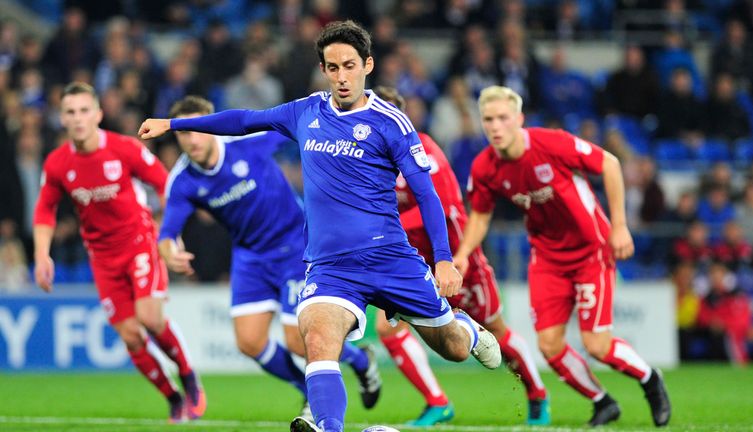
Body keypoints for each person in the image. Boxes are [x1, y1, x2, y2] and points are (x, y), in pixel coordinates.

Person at [138, 20, 502, 432]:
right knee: (316, 339)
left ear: (367, 64)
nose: (342, 76)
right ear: (324, 70)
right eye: (332, 67)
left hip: (389, 258)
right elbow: (243, 120)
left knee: (452, 348)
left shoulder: (391, 123)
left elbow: (427, 194)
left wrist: (443, 260)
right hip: (330, 267)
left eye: (349, 65)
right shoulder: (306, 111)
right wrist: (174, 126)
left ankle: (467, 331)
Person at [453, 85, 671, 427]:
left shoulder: (551, 143)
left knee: (597, 344)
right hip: (548, 258)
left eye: (503, 118)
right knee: (550, 345)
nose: (495, 127)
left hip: (591, 250)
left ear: (519, 119)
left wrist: (620, 226)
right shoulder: (484, 167)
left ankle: (650, 379)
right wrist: (463, 253)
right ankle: (602, 402)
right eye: (488, 120)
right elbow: (480, 215)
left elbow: (610, 164)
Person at [159, 95, 382, 417]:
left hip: (295, 245)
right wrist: (169, 253)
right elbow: (167, 233)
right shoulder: (182, 181)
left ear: (211, 126)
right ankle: (308, 387)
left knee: (296, 340)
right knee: (249, 342)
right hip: (250, 256)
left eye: (197, 129)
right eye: (183, 133)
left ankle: (359, 362)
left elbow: (297, 123)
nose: (192, 139)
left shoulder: (247, 142)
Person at [374, 86, 549, 426]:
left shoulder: (422, 149)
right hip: (417, 266)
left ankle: (537, 394)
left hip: (457, 259)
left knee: (496, 330)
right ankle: (437, 402)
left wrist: (387, 225)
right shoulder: (375, 160)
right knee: (387, 328)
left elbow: (440, 206)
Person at [33, 82, 205, 423]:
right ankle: (172, 397)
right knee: (130, 336)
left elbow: (164, 183)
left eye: (84, 110)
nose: (78, 118)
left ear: (98, 114)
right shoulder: (56, 163)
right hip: (101, 256)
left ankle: (188, 375)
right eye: (70, 112)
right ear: (62, 118)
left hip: (140, 241)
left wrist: (170, 234)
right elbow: (44, 210)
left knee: (150, 318)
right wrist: (41, 254)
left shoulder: (123, 149)